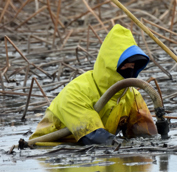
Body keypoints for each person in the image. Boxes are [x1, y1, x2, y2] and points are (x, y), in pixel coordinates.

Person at [29, 24, 158, 145]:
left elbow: (145, 135)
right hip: (50, 151)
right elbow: (94, 137)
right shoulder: (76, 92)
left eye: (132, 67)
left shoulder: (131, 95)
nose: (129, 72)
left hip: (93, 153)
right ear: (110, 66)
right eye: (125, 66)